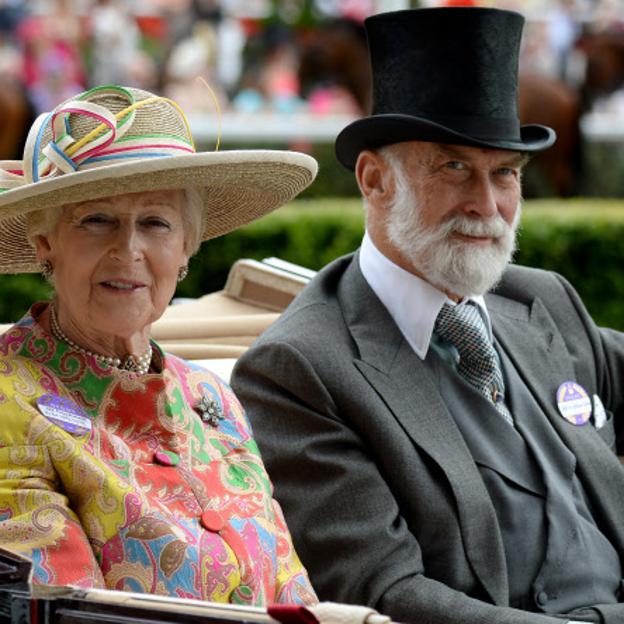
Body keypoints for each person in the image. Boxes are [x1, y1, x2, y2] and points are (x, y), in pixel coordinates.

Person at [231, 8, 624, 624]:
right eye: (453, 168)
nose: (487, 205)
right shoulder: (299, 368)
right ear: (374, 179)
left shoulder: (541, 301)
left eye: (505, 174)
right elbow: (385, 594)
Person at [0, 83, 318, 606]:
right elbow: (73, 616)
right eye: (97, 220)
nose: (129, 250)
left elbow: (294, 596)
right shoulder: (10, 400)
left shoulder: (213, 399)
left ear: (187, 247)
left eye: (156, 223)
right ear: (45, 244)